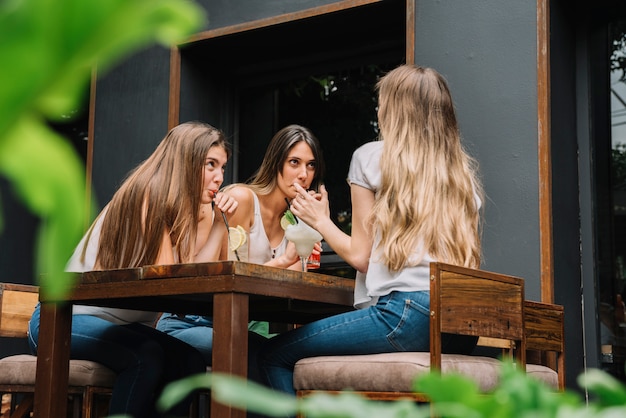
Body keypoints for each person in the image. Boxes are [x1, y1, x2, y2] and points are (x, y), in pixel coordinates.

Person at [256, 64, 485, 395]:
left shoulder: (371, 158)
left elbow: (362, 257)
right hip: (459, 327)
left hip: (406, 316)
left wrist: (320, 220)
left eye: (382, 103)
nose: (378, 109)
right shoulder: (462, 180)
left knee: (272, 355)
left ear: (394, 110)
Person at [27, 121, 238, 418]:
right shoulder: (148, 194)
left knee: (189, 363)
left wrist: (219, 222)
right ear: (185, 162)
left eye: (223, 168)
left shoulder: (189, 210)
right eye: (210, 165)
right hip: (63, 319)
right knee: (145, 357)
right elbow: (168, 278)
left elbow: (197, 275)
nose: (219, 178)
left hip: (121, 325)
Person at [155, 123, 326, 369]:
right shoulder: (242, 199)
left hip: (239, 324)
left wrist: (308, 246)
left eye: (311, 165)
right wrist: (285, 260)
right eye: (294, 162)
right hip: (195, 321)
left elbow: (292, 285)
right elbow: (223, 280)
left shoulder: (293, 220)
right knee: (262, 355)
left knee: (294, 354)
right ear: (276, 163)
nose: (303, 174)